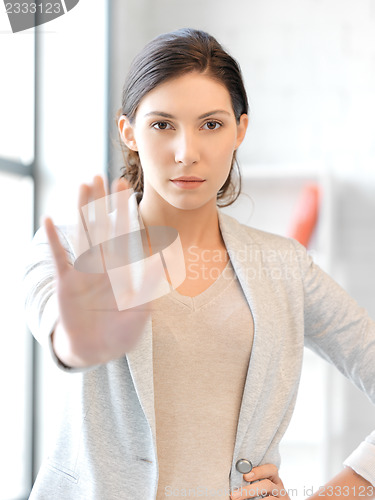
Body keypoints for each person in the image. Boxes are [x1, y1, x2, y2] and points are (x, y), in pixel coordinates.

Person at [23, 28, 375, 500]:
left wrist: (335, 496)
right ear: (128, 132)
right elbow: (62, 334)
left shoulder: (284, 266)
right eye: (162, 124)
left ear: (240, 130)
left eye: (210, 124)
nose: (187, 151)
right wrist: (79, 338)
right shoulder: (70, 248)